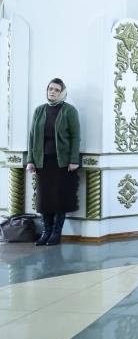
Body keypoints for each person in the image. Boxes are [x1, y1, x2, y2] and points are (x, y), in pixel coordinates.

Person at [26, 78, 80, 246]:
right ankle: (46, 232)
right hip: (42, 162)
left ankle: (56, 233)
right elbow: (32, 137)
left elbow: (75, 136)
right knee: (44, 200)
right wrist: (30, 160)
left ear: (62, 92)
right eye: (50, 88)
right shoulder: (39, 110)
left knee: (59, 199)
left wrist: (74, 159)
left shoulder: (69, 110)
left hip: (62, 163)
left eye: (57, 90)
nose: (53, 92)